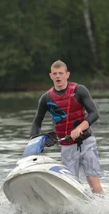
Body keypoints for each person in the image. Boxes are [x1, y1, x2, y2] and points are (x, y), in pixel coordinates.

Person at [29, 60, 104, 194]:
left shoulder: (79, 90)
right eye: (55, 74)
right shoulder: (46, 98)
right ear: (51, 76)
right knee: (71, 183)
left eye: (61, 73)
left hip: (86, 141)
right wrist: (33, 140)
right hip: (66, 145)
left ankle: (103, 207)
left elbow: (94, 114)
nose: (58, 76)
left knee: (92, 179)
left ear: (67, 75)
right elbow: (37, 121)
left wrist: (79, 129)